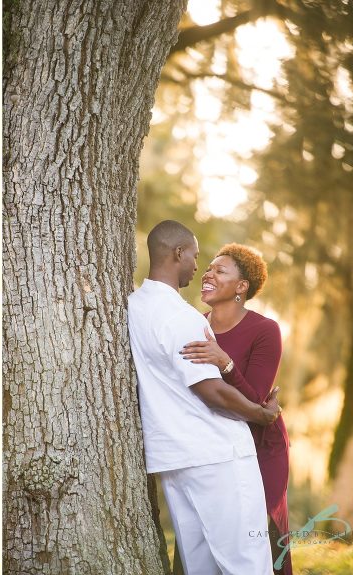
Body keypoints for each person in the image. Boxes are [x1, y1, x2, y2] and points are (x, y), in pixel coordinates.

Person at [126, 220, 280, 575]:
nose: (198, 267)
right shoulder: (182, 317)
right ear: (178, 253)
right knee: (248, 563)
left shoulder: (134, 306)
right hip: (218, 456)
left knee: (200, 567)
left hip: (173, 458)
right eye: (196, 257)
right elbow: (211, 391)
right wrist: (261, 415)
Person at [179, 243, 292, 574]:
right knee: (205, 534)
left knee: (256, 537)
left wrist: (224, 362)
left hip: (260, 446)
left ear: (242, 286)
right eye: (208, 268)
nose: (208, 274)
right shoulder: (193, 325)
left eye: (220, 270)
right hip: (212, 445)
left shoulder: (265, 330)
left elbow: (256, 400)